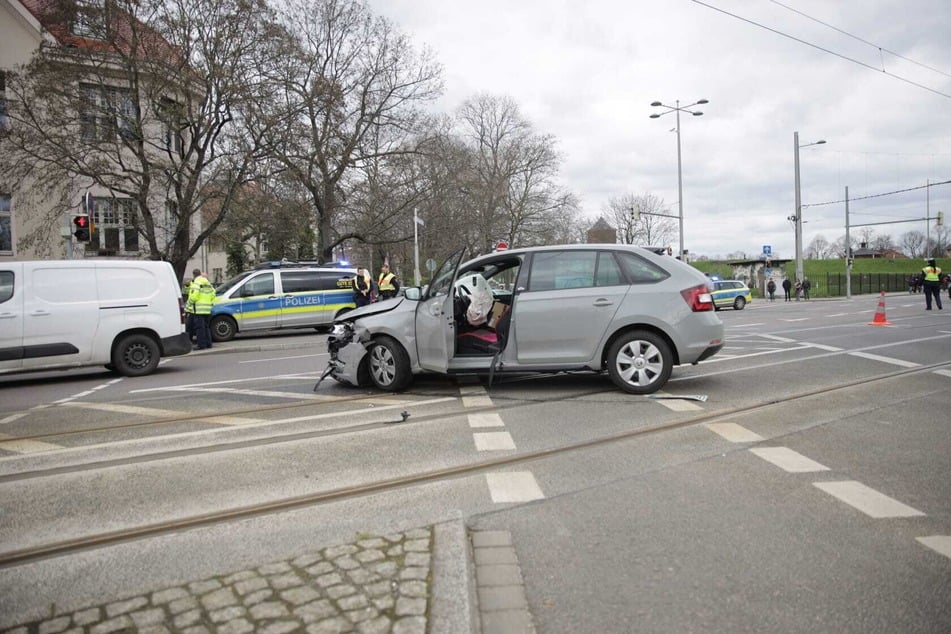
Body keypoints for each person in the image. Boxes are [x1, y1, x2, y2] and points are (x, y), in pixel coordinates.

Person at [188, 269, 216, 349]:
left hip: (199, 309)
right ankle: (208, 344)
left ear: (194, 275)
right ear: (200, 273)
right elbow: (213, 294)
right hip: (207, 308)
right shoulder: (207, 282)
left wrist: (189, 303)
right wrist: (208, 301)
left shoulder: (196, 282)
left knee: (199, 328)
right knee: (206, 327)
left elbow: (194, 296)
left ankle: (201, 345)